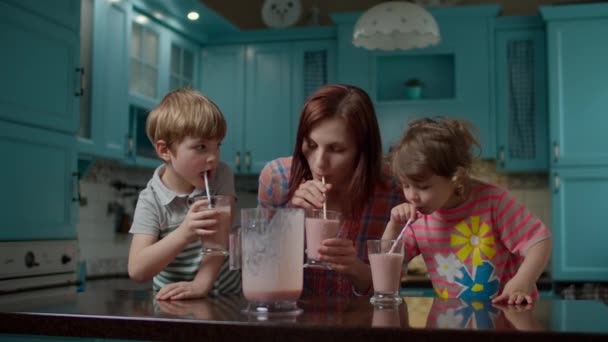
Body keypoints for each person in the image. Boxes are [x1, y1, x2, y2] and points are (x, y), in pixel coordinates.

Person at [384, 117, 551, 304]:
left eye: (423, 187)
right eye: (406, 185)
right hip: (454, 319)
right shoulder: (418, 217)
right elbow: (387, 264)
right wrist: (393, 226)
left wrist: (523, 281)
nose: (412, 196)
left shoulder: (493, 201)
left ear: (456, 177)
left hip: (506, 313)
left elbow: (539, 241)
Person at [257, 84, 405, 297]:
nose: (319, 163)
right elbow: (257, 269)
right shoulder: (277, 178)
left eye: (336, 149)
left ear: (362, 151)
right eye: (311, 144)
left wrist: (354, 267)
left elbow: (391, 291)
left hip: (362, 326)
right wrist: (289, 217)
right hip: (288, 323)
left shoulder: (392, 190)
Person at [128, 88, 240, 300]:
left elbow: (219, 241)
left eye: (217, 146)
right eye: (201, 147)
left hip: (226, 298)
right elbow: (137, 270)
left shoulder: (221, 176)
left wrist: (200, 285)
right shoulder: (151, 199)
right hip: (173, 303)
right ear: (164, 151)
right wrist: (185, 232)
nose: (213, 158)